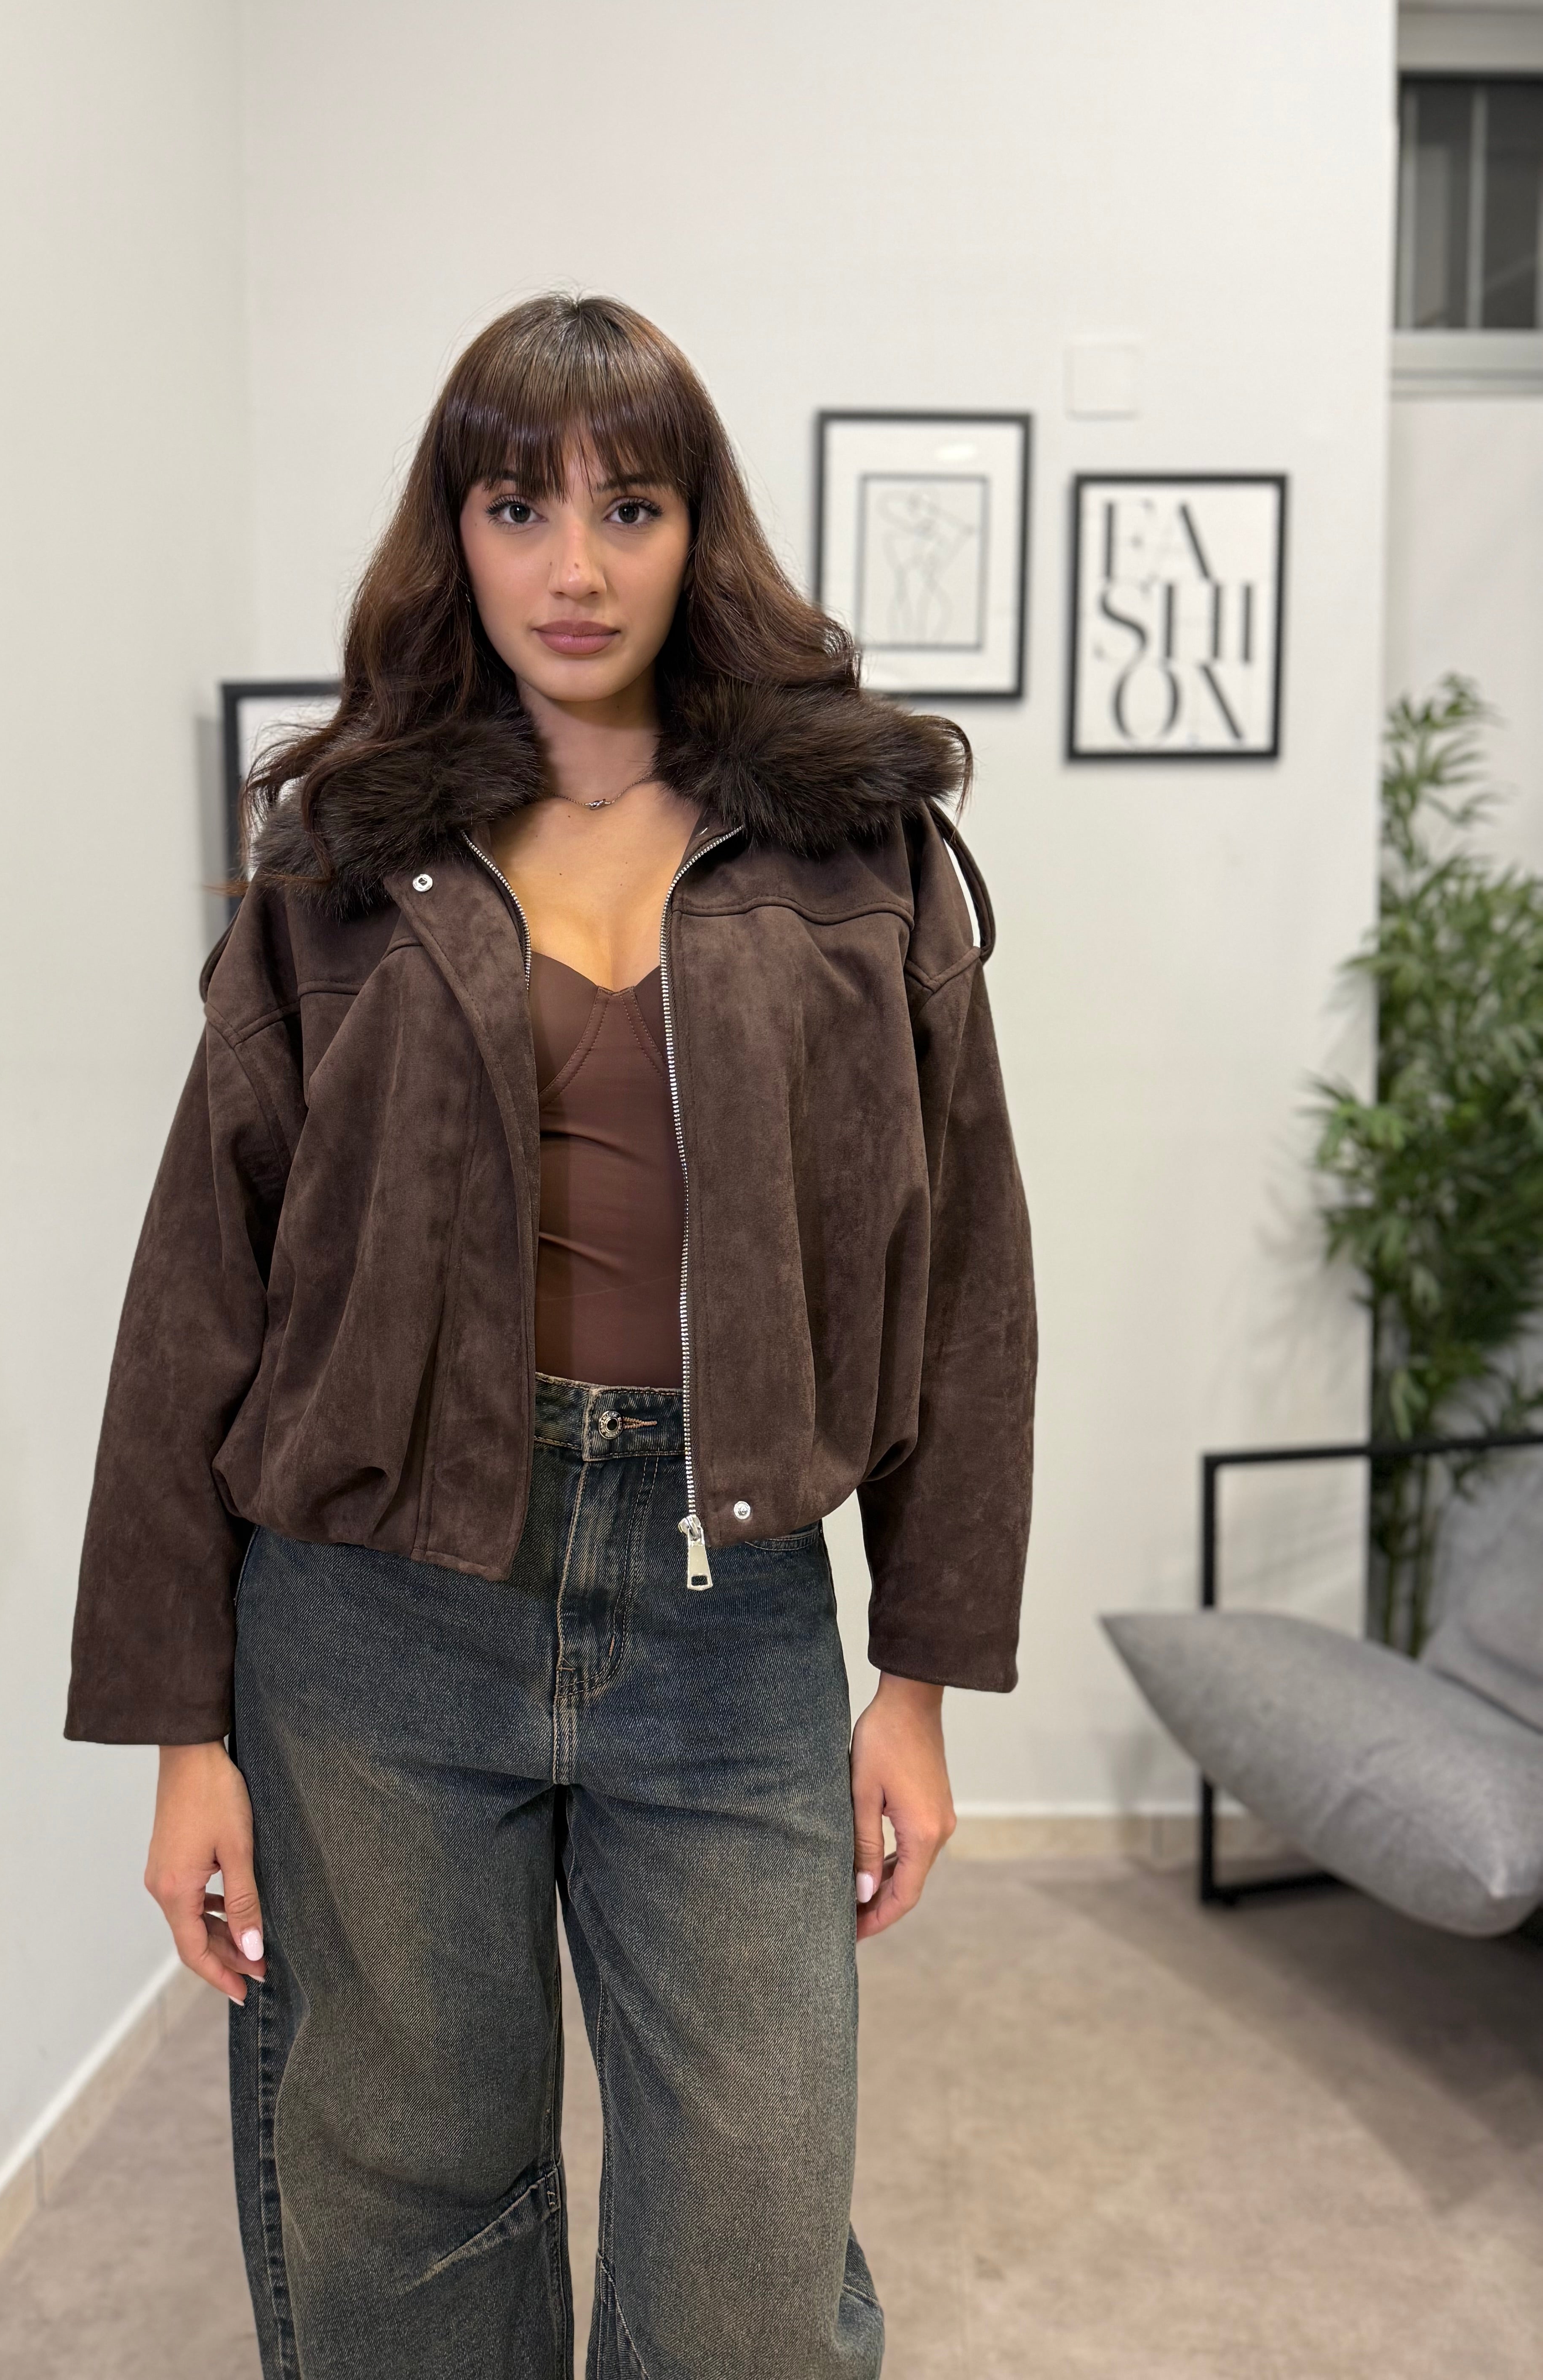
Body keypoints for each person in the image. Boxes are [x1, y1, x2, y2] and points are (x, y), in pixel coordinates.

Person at [65, 292, 1037, 2380]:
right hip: (372, 1613)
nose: (574, 567)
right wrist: (181, 1737)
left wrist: (923, 1680)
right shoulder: (339, 860)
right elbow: (199, 1295)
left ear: (700, 532)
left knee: (752, 2255)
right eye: (519, 508)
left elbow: (966, 1277)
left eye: (629, 506)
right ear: (458, 534)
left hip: (729, 1611)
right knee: (401, 2210)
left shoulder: (855, 848)